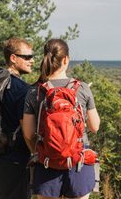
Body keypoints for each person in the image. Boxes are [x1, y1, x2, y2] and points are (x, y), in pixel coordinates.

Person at [23, 39, 100, 199]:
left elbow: (29, 133)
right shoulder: (82, 87)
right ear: (66, 59)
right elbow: (94, 126)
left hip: (46, 163)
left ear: (45, 57)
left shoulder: (34, 91)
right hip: (78, 162)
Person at [0, 37, 34, 199]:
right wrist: (36, 154)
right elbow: (28, 133)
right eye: (27, 57)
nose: (32, 61)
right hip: (15, 161)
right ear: (13, 58)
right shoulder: (23, 90)